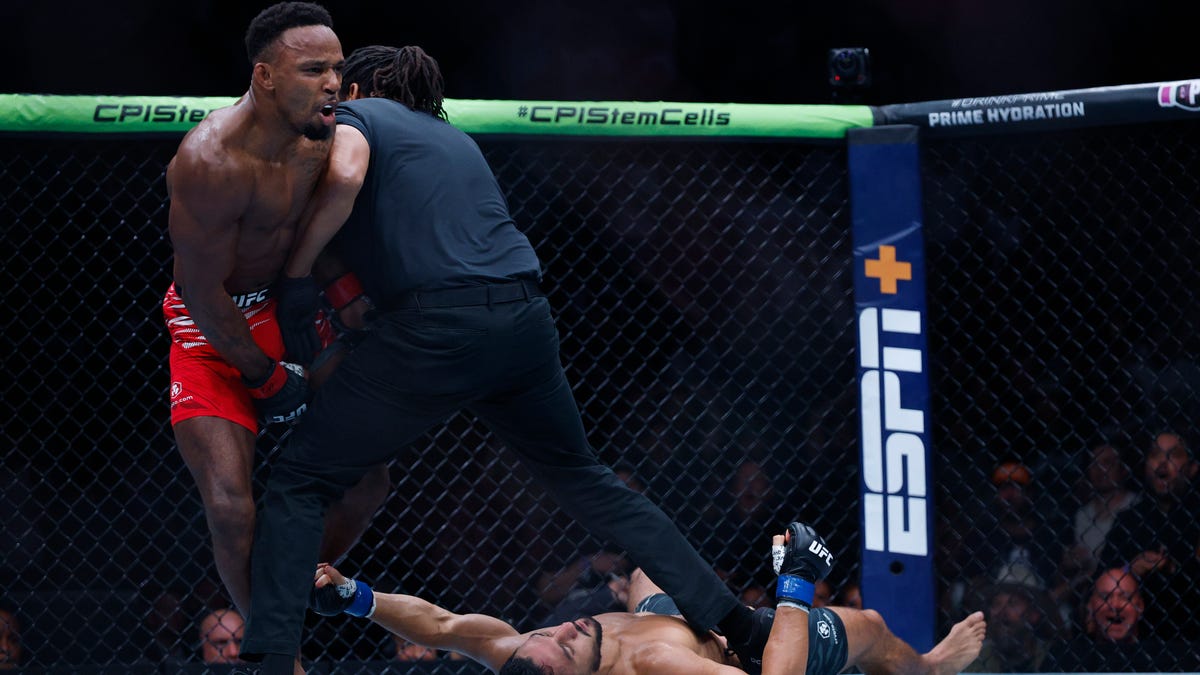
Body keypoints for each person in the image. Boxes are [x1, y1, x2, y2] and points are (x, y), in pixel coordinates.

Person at [240, 44, 773, 670]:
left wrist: (297, 276)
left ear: (358, 89)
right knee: (587, 480)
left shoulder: (361, 118)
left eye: (338, 85)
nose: (328, 97)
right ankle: (738, 622)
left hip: (437, 327)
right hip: (523, 321)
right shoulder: (456, 141)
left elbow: (346, 177)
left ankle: (272, 660)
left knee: (302, 478)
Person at [161, 0, 388, 620]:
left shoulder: (323, 136)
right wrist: (263, 375)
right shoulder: (210, 161)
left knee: (369, 479)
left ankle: (292, 593)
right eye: (314, 70)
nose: (333, 83)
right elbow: (200, 289)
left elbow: (316, 235)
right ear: (264, 76)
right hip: (212, 325)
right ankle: (271, 650)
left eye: (337, 68)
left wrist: (342, 294)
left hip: (290, 311)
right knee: (231, 509)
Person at [304, 523, 984, 675]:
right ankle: (929, 668)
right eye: (567, 645)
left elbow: (441, 624)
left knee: (648, 572)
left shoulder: (526, 655)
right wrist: (797, 585)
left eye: (549, 632)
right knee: (870, 626)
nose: (565, 628)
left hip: (663, 621)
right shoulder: (656, 668)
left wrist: (359, 598)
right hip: (750, 656)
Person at [1102, 431, 1200, 640]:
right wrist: (1129, 571)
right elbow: (1101, 579)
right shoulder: (1129, 521)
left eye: (1173, 455)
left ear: (1192, 468)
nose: (1162, 463)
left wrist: (1173, 568)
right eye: (1155, 454)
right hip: (1138, 639)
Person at [1040, 567, 1199, 672]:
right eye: (1105, 597)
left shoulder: (1172, 659)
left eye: (1125, 597)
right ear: (1091, 607)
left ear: (1140, 607)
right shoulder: (1065, 658)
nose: (1115, 605)